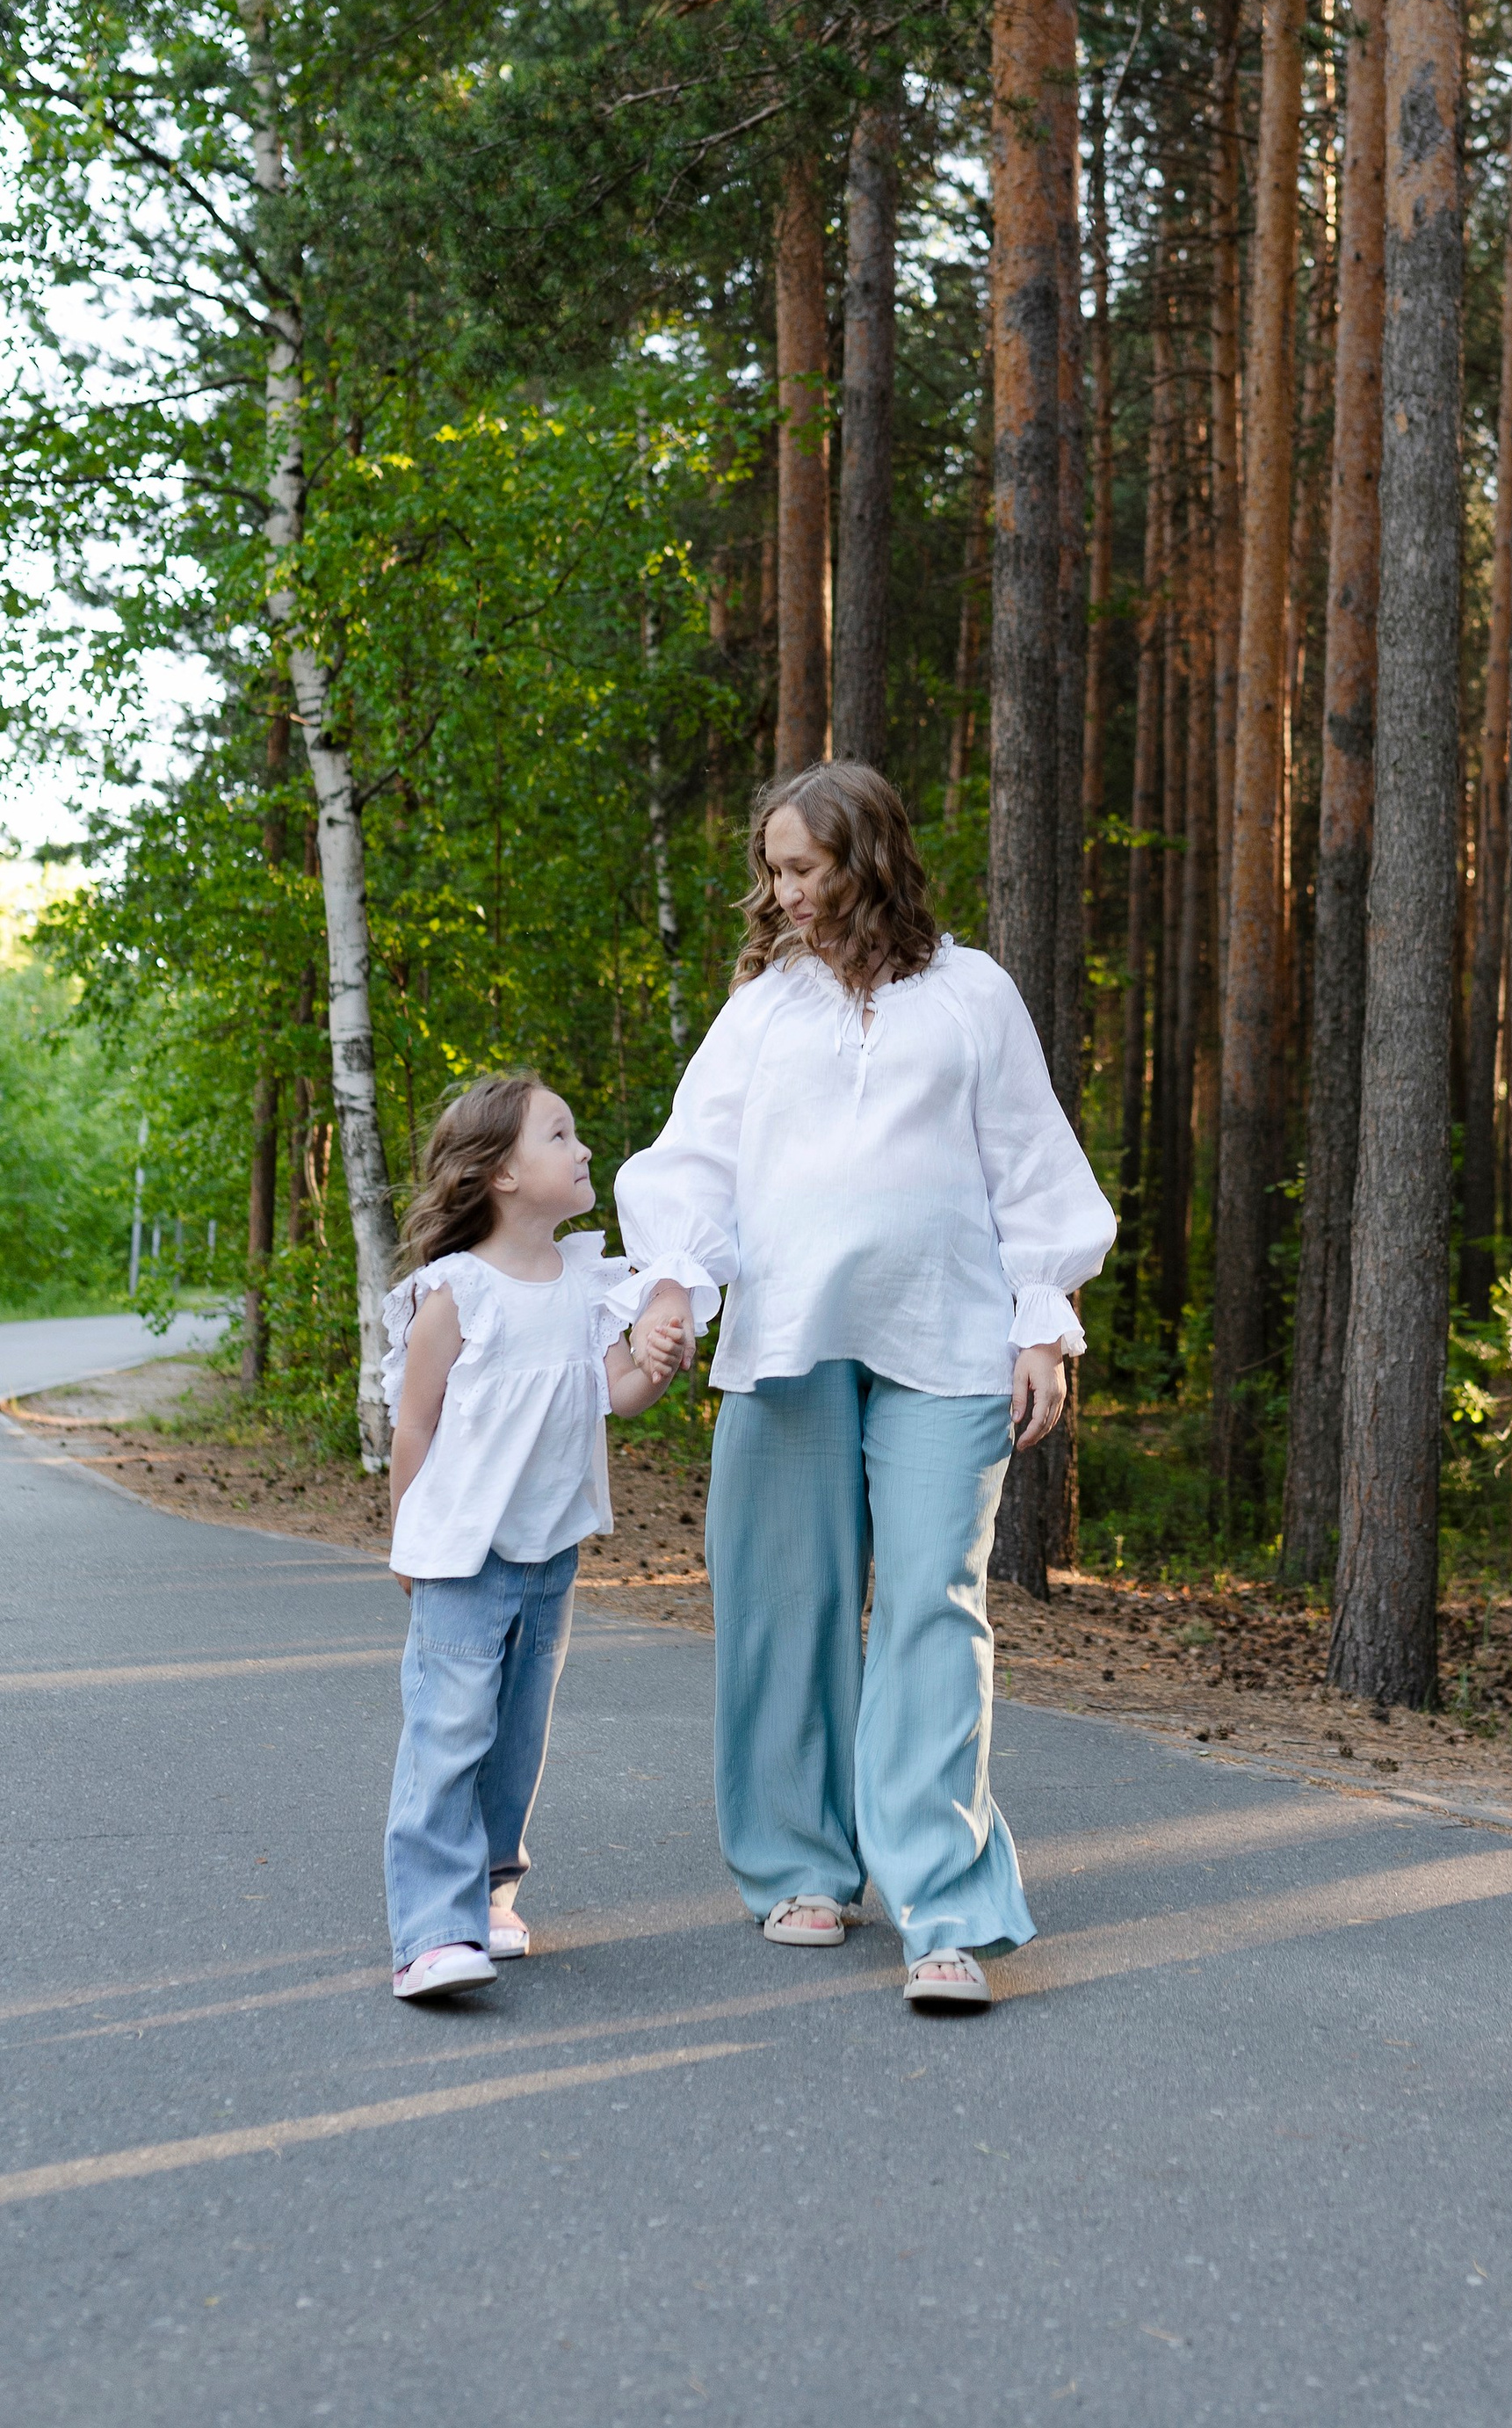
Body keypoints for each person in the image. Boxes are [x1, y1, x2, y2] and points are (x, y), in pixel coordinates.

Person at [612, 760, 1115, 2014]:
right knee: (785, 1598)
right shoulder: (765, 1009)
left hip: (947, 1341)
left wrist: (1043, 1324)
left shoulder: (971, 994)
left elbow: (1031, 1162)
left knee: (938, 1610)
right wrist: (673, 1283)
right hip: (785, 1339)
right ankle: (800, 1866)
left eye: (803, 868)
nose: (780, 894)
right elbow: (696, 1164)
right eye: (771, 871)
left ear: (869, 860)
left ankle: (941, 1908)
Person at [380, 1069, 687, 2003]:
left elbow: (616, 1395)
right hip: (462, 1559)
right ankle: (431, 1933)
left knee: (515, 1739)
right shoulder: (457, 1293)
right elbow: (414, 1425)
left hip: (548, 1557)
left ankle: (489, 1898)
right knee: (449, 1734)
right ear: (501, 1174)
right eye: (559, 1134)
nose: (583, 1147)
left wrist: (658, 1363)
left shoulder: (587, 1288)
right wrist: (407, 1536)